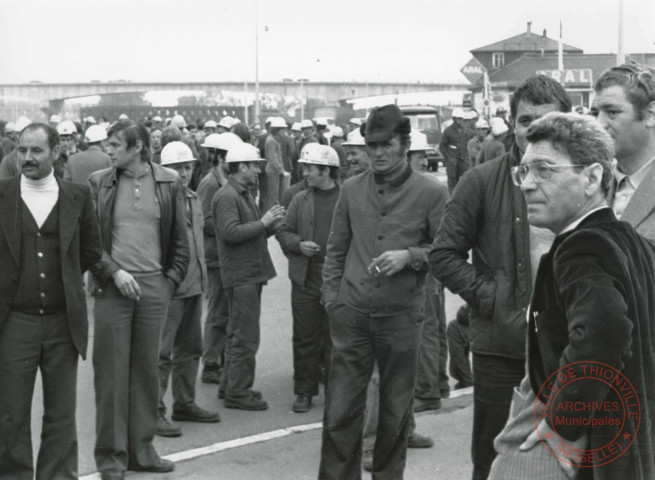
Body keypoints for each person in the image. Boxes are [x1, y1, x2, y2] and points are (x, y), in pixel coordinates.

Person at [492, 112, 655, 479]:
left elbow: (605, 331)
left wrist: (563, 421)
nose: (528, 184)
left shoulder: (582, 246)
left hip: (592, 450)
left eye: (545, 170)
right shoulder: (633, 242)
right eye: (524, 172)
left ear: (593, 178)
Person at [430, 75, 571, 480]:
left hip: (566, 349)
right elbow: (444, 253)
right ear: (512, 123)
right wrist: (491, 297)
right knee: (494, 460)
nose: (536, 129)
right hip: (501, 350)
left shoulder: (582, 177)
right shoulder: (481, 180)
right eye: (527, 119)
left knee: (565, 458)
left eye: (548, 118)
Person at [319, 104, 448, 479]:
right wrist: (333, 301)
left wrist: (410, 256)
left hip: (401, 320)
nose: (376, 153)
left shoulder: (431, 193)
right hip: (352, 317)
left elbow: (446, 254)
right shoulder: (350, 189)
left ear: (404, 144)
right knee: (340, 413)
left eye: (385, 144)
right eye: (370, 145)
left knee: (393, 416)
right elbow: (336, 250)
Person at [0, 123, 102, 480]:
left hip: (62, 323)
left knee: (61, 415)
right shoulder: (3, 194)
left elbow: (91, 251)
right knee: (11, 414)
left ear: (56, 152)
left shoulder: (77, 196)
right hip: (14, 323)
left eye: (36, 150)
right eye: (22, 150)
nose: (27, 157)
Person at [89, 120, 189, 480]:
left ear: (138, 148)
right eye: (108, 144)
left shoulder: (169, 182)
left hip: (154, 288)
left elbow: (180, 239)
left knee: (146, 373)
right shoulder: (99, 182)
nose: (109, 150)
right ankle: (112, 459)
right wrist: (113, 271)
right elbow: (90, 242)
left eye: (116, 144)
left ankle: (142, 451)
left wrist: (168, 282)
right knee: (112, 377)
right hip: (112, 286)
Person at [213, 143, 286, 410]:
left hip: (247, 273)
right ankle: (238, 391)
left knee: (237, 333)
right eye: (254, 165)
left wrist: (271, 226)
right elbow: (230, 233)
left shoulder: (239, 194)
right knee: (246, 335)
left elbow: (248, 232)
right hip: (242, 275)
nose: (258, 170)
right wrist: (265, 223)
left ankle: (230, 386)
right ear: (241, 167)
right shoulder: (228, 197)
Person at [156, 142, 219, 438]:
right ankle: (154, 410)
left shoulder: (193, 198)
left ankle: (184, 402)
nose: (184, 173)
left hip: (194, 286)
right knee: (161, 353)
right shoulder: (159, 201)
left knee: (191, 348)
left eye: (188, 167)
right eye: (178, 168)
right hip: (170, 288)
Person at [276, 145, 340, 413]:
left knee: (334, 337)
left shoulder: (348, 197)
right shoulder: (300, 199)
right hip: (305, 278)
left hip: (337, 279)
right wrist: (299, 244)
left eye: (310, 169)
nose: (305, 174)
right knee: (304, 336)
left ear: (326, 171)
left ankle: (336, 392)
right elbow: (283, 230)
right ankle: (304, 390)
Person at [196, 132, 243, 385]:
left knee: (225, 310)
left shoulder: (225, 180)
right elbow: (205, 221)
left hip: (226, 255)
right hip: (215, 256)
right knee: (217, 312)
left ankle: (219, 357)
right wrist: (231, 225)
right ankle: (211, 362)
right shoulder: (210, 184)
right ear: (220, 157)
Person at [439, 108, 470, 192]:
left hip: (463, 160)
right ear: (454, 119)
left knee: (465, 181)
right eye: (459, 119)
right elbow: (442, 146)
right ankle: (452, 199)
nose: (461, 121)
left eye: (461, 119)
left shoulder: (465, 130)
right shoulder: (448, 131)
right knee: (452, 182)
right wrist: (449, 158)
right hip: (452, 162)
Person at [263, 117, 289, 210]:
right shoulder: (271, 141)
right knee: (274, 196)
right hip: (273, 171)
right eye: (283, 129)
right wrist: (281, 171)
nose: (284, 132)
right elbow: (273, 159)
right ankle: (273, 219)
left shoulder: (274, 139)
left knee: (275, 195)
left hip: (274, 171)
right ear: (277, 130)